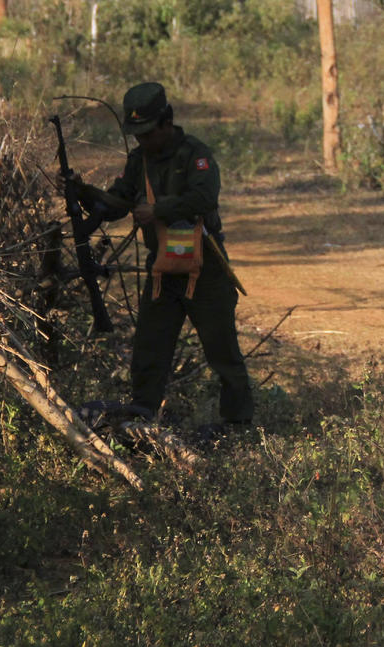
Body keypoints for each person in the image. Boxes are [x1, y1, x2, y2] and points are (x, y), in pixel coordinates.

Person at [79, 82, 253, 426]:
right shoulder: (137, 161)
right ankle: (142, 419)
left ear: (166, 123)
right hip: (163, 272)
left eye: (148, 132)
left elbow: (204, 199)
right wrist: (82, 190)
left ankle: (237, 426)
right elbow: (116, 203)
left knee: (223, 354)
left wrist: (158, 209)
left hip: (206, 271)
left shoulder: (195, 155)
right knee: (148, 351)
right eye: (137, 135)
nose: (143, 141)